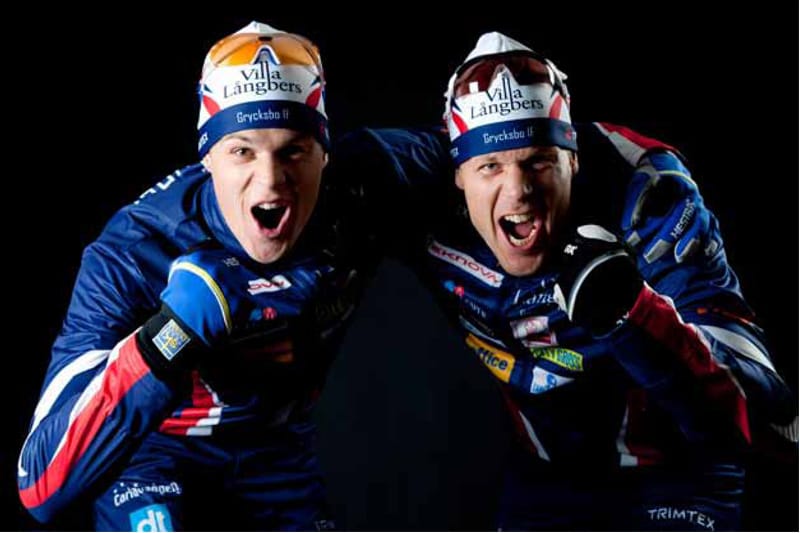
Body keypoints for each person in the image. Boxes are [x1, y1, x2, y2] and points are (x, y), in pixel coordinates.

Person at [334, 32, 797, 530]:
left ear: (573, 160)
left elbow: (775, 425)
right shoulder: (412, 191)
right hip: (546, 478)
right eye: (490, 166)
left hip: (681, 472)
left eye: (538, 161)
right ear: (458, 174)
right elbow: (300, 182)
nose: (518, 192)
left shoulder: (650, 198)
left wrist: (636, 313)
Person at [17, 21, 367, 531]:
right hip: (152, 455)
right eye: (241, 150)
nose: (270, 181)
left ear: (324, 155)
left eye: (293, 149)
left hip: (277, 457)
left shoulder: (367, 190)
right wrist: (167, 337)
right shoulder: (135, 250)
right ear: (208, 158)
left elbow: (480, 161)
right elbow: (40, 484)